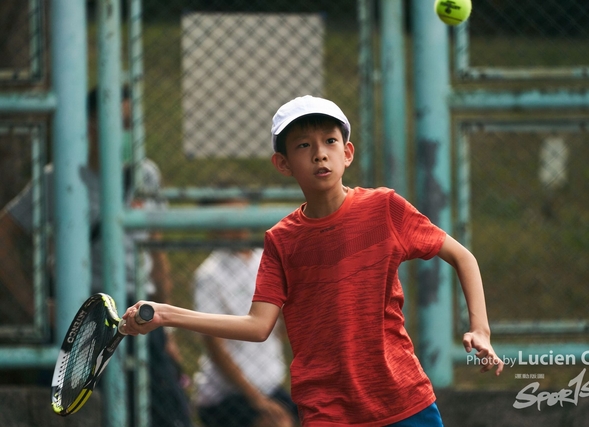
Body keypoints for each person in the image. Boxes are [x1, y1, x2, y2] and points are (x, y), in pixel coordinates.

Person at [122, 95, 504, 427]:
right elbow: (258, 325)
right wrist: (166, 314)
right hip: (328, 412)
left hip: (404, 400)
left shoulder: (384, 208)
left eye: (330, 141)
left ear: (347, 153)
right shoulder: (281, 241)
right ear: (283, 163)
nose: (320, 153)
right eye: (303, 145)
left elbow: (462, 256)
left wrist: (480, 330)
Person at [0, 87, 193, 427]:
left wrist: (169, 330)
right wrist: (35, 307)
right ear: (91, 125)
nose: (126, 133)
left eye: (131, 124)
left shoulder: (145, 175)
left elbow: (156, 251)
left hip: (141, 309)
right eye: (119, 123)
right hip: (85, 311)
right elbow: (6, 233)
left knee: (165, 413)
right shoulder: (60, 179)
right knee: (79, 412)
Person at [192, 216, 297, 427]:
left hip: (270, 386)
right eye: (229, 217)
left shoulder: (266, 260)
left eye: (241, 213)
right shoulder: (210, 274)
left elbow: (282, 330)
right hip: (227, 394)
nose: (237, 225)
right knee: (277, 423)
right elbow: (215, 347)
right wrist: (257, 401)